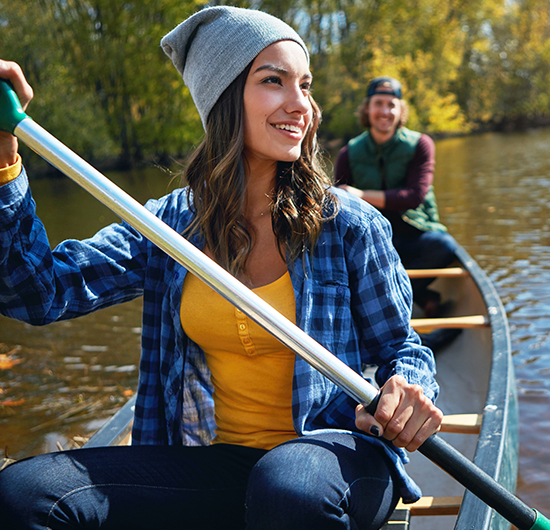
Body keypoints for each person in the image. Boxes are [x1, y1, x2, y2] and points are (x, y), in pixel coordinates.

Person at [0, 7, 442, 530]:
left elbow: (402, 350)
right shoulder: (168, 227)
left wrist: (407, 389)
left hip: (335, 457)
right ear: (224, 97)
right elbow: (38, 293)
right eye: (273, 82)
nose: (301, 105)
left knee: (287, 484)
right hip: (220, 463)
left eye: (305, 85)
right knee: (24, 492)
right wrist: (5, 154)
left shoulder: (347, 224)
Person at [335, 76, 458, 317]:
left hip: (415, 235)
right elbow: (339, 206)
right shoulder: (348, 153)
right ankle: (422, 297)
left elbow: (413, 197)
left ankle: (393, 299)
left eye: (391, 104)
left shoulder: (421, 144)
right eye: (378, 103)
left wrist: (359, 195)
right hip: (374, 240)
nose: (385, 111)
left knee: (445, 246)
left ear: (400, 110)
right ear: (367, 108)